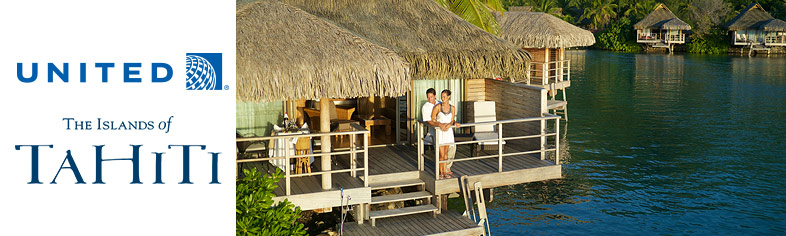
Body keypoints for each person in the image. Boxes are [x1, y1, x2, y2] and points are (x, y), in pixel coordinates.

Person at [429, 89, 460, 179]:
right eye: (442, 97)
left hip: (448, 132)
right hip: (440, 132)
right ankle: (441, 172)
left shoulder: (452, 108)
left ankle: (445, 172)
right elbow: (432, 119)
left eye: (444, 97)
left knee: (446, 154)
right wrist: (439, 124)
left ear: (448, 97)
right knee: (441, 154)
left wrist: (450, 124)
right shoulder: (437, 107)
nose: (442, 99)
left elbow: (452, 120)